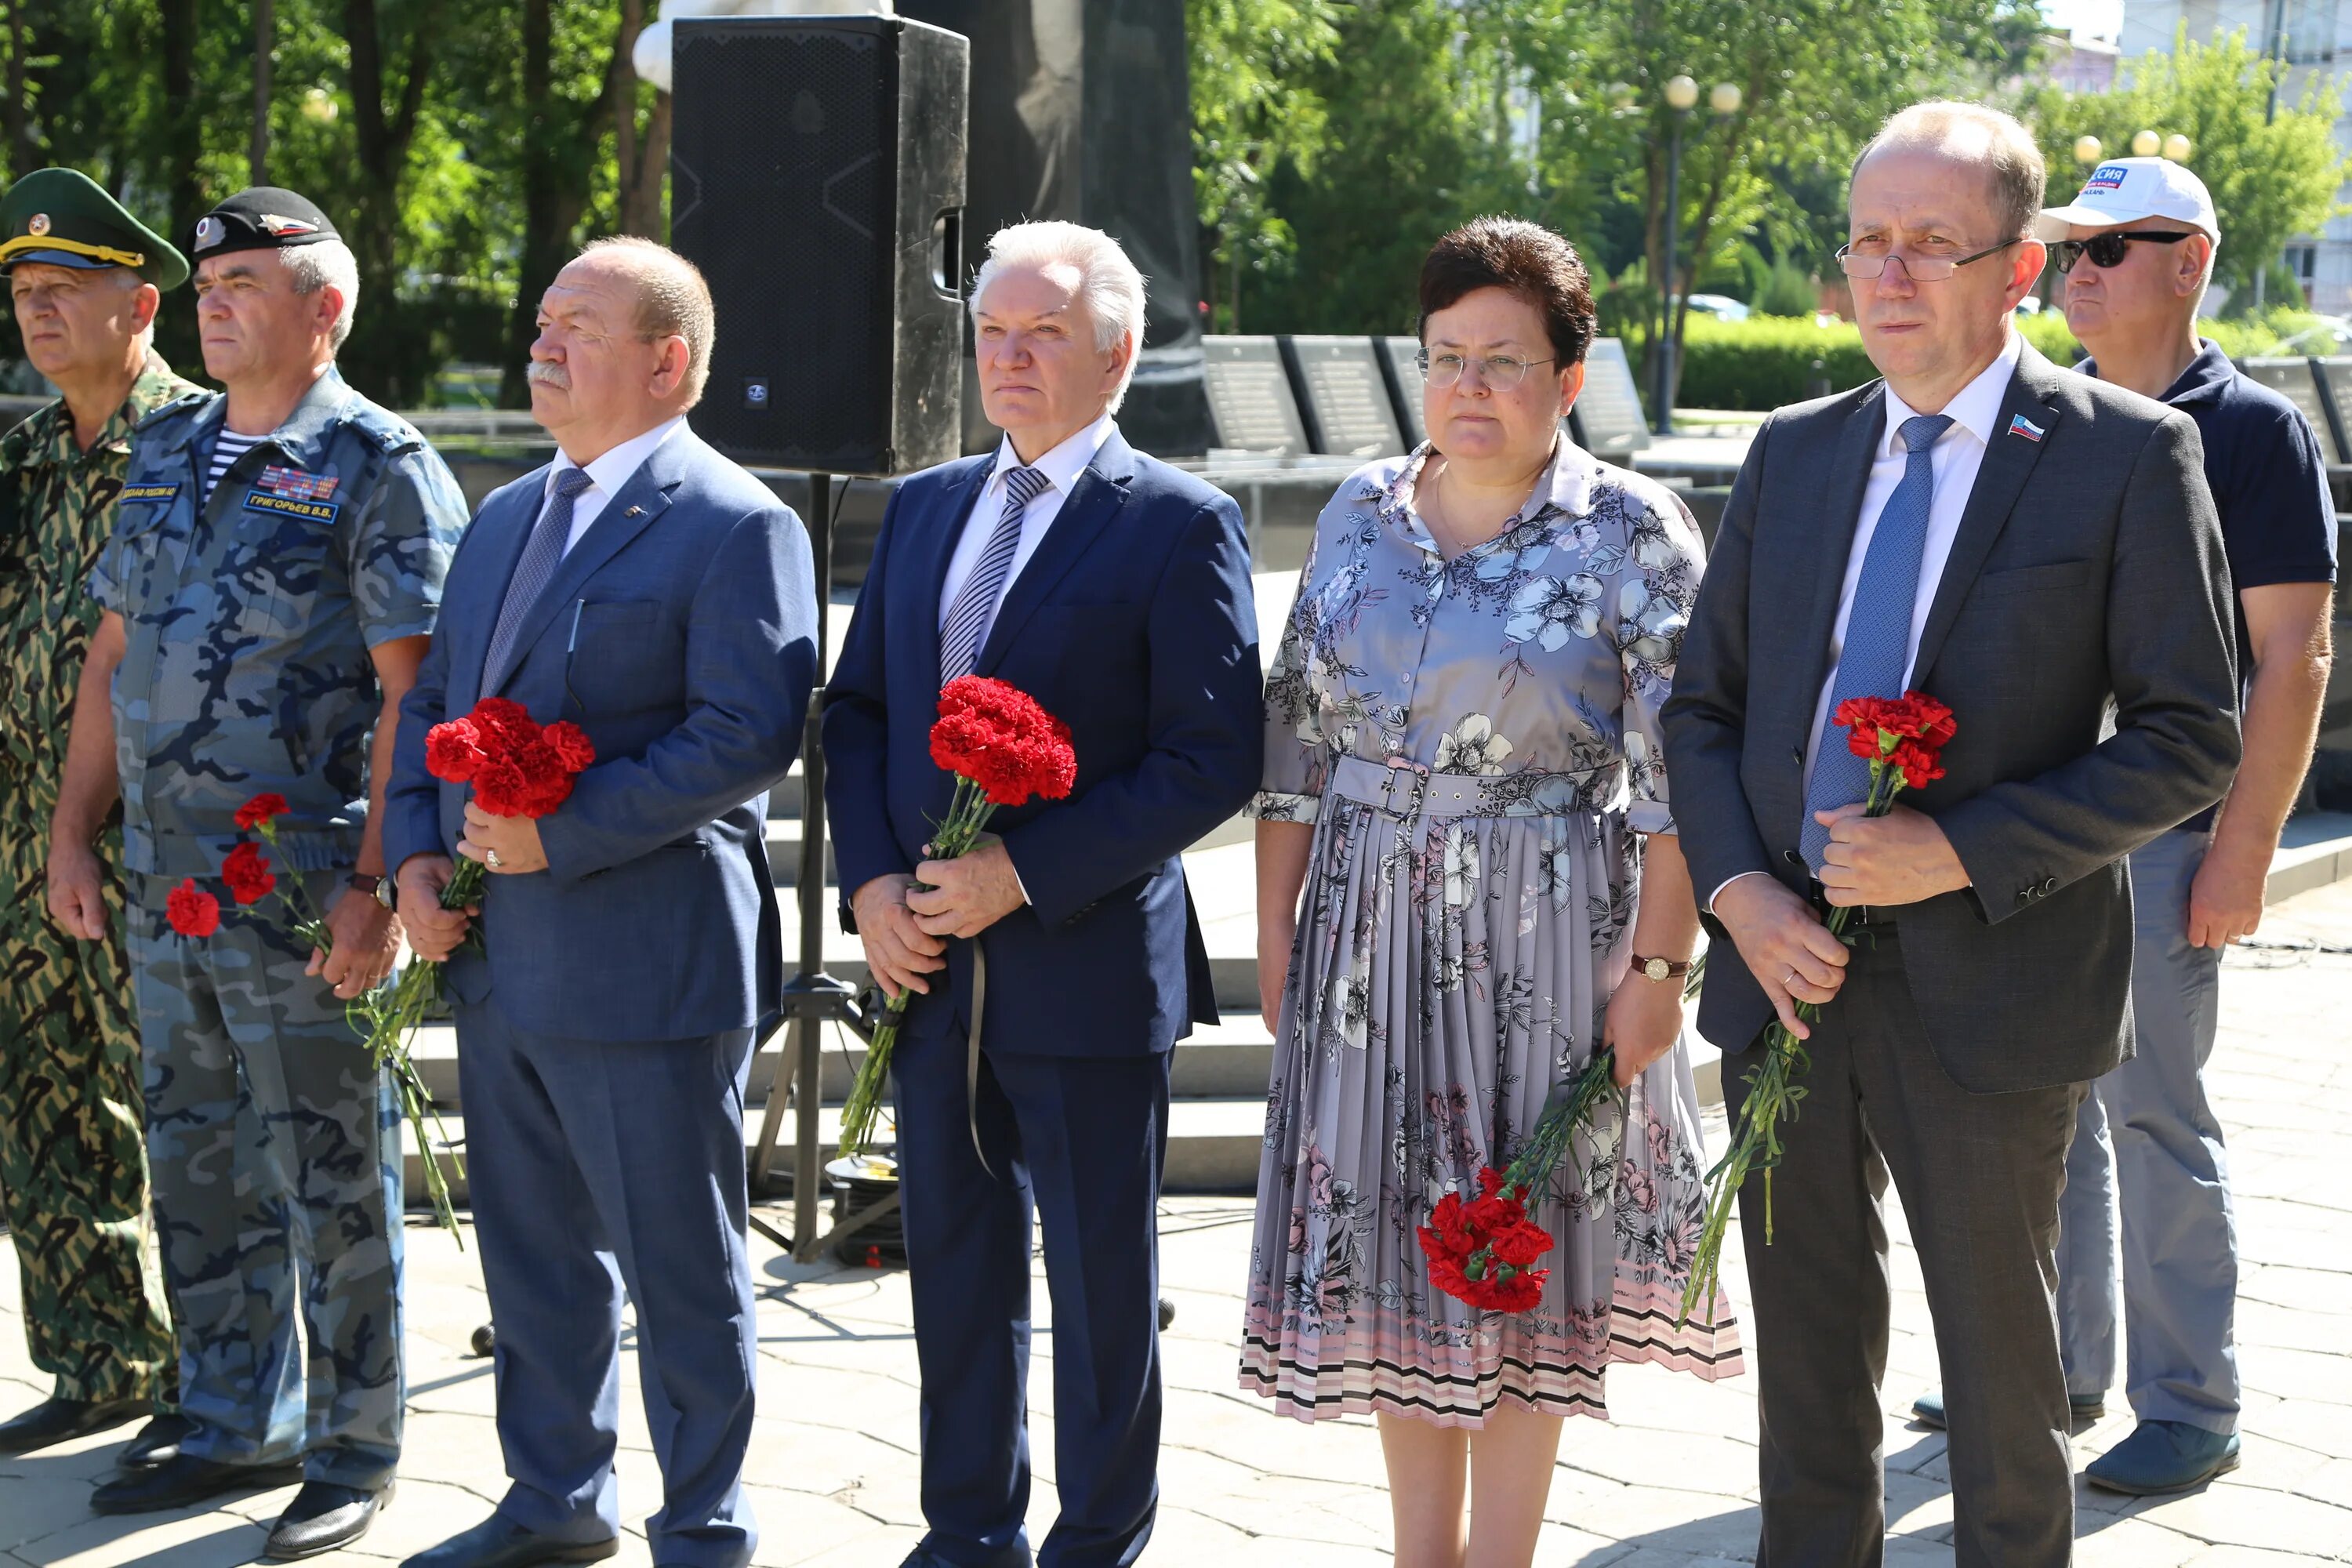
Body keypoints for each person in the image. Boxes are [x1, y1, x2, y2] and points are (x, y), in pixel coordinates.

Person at [1661, 103, 2243, 1568]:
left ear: (2023, 268)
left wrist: (1961, 847)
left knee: (2000, 1391)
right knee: (1805, 1382)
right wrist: (1739, 893)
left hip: (1998, 982)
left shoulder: (2126, 455)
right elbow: (1702, 714)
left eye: (1934, 243)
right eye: (1870, 240)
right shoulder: (1791, 455)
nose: (1892, 273)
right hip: (1784, 976)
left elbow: (2192, 738)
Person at [1240, 217, 1740, 1568]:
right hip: (1360, 930)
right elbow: (1294, 747)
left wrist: (1657, 972)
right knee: (1407, 1252)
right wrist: (1276, 935)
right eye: (1446, 356)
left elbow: (1677, 783)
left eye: (1504, 361)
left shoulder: (1635, 530)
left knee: (1516, 1245)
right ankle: (1422, 1556)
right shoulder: (1357, 512)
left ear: (1569, 380)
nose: (1468, 386)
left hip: (1545, 933)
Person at [822, 220, 1261, 1568]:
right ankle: (966, 1530)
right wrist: (873, 888)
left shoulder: (1179, 522)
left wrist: (1022, 871)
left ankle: (1098, 1535)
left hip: (1082, 965)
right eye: (992, 334)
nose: (1008, 359)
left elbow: (1217, 756)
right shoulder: (928, 505)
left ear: (1117, 351)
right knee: (952, 1267)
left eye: (1043, 334)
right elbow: (858, 715)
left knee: (1098, 1284)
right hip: (927, 966)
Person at [1904, 158, 2338, 1496]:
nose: (2079, 272)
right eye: (2070, 250)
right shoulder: (2047, 419)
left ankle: (2192, 1401)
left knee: (2153, 1115)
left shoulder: (2249, 432)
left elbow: (2296, 658)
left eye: (2112, 249)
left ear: (2191, 260)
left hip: (2162, 839)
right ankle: (2061, 1371)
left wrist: (2246, 850)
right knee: (2046, 1111)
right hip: (2032, 829)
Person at [387, 237, 816, 1568]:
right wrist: (412, 856)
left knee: (682, 1268)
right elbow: (436, 706)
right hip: (498, 953)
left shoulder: (738, 522)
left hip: (645, 958)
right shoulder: (508, 511)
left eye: (580, 322)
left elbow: (748, 732)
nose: (544, 340)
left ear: (667, 362)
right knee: (533, 1260)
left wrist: (553, 833)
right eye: (544, 317)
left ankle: (706, 1525)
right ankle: (556, 1498)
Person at [49, 187, 464, 1555]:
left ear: (324, 310)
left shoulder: (377, 462)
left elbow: (418, 692)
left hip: (298, 889)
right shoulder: (167, 448)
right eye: (210, 278)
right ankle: (232, 1414)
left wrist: (375, 877)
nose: (215, 297)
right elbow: (114, 654)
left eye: (245, 280)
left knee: (327, 1168)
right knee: (198, 1158)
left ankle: (353, 1447)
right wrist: (70, 834)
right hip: (166, 883)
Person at [0, 168, 192, 1461]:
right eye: (22, 294)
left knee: (181, 1104)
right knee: (44, 1097)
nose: (36, 315)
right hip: (21, 831)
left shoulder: (202, 443)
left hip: (162, 835)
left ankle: (225, 1376)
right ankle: (100, 1358)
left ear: (140, 302)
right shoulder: (18, 455)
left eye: (63, 292)